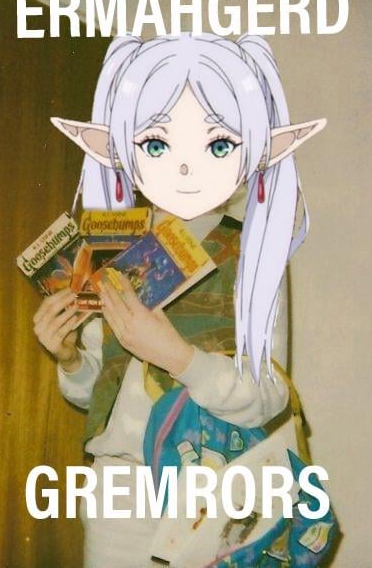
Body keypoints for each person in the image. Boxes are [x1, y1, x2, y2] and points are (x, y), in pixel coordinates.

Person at [33, 33, 326, 567]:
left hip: (213, 486)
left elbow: (269, 395)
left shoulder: (253, 250)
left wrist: (179, 358)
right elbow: (99, 388)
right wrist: (71, 358)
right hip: (119, 485)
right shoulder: (112, 243)